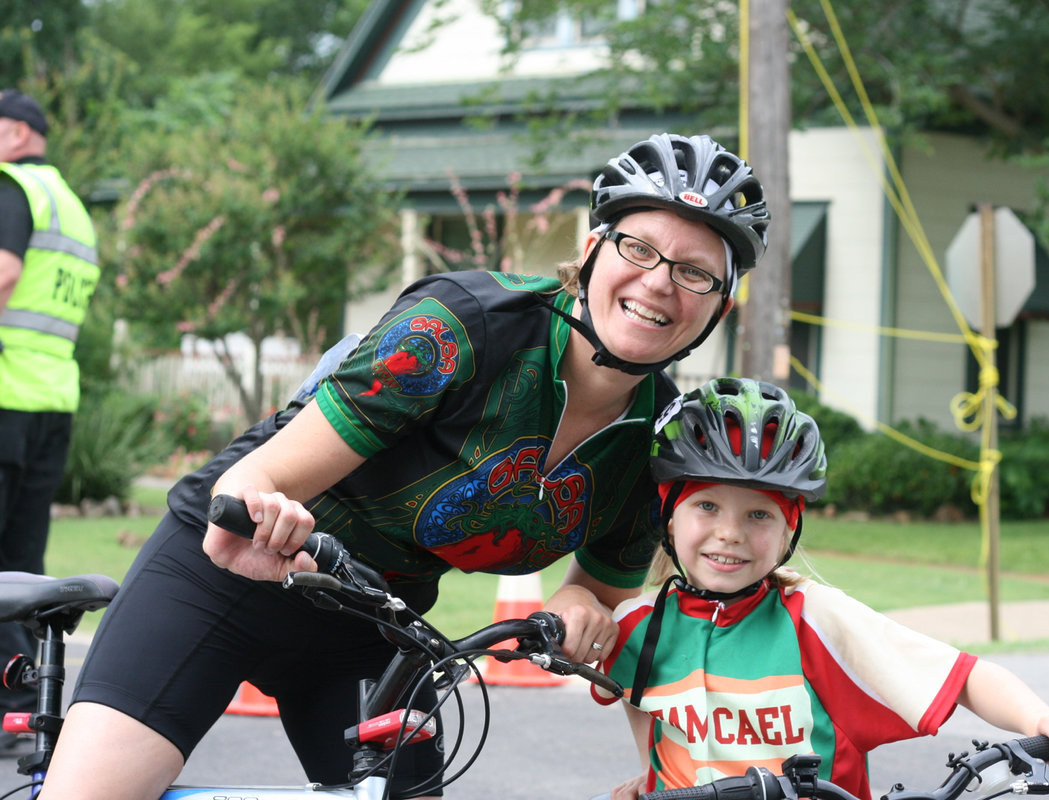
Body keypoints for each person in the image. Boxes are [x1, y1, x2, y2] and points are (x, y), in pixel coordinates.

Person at [37, 132, 771, 799]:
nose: (657, 283)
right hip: (224, 578)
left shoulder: (655, 445)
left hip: (378, 633)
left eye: (695, 273)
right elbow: (254, 480)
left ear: (721, 308)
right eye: (638, 249)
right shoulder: (460, 329)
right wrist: (263, 511)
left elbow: (599, 594)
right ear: (590, 252)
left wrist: (582, 607)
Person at [595, 378, 1049, 800]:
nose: (730, 532)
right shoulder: (641, 624)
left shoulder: (815, 620)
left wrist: (1042, 717)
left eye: (758, 514)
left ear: (789, 530)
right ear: (668, 514)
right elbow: (637, 693)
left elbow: (963, 677)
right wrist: (655, 772)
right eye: (707, 506)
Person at [0, 89, 99, 756]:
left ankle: (11, 706)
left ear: (11, 134)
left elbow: (4, 271)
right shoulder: (75, 209)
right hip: (51, 396)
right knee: (22, 562)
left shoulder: (10, 189)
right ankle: (25, 705)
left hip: (4, 386)